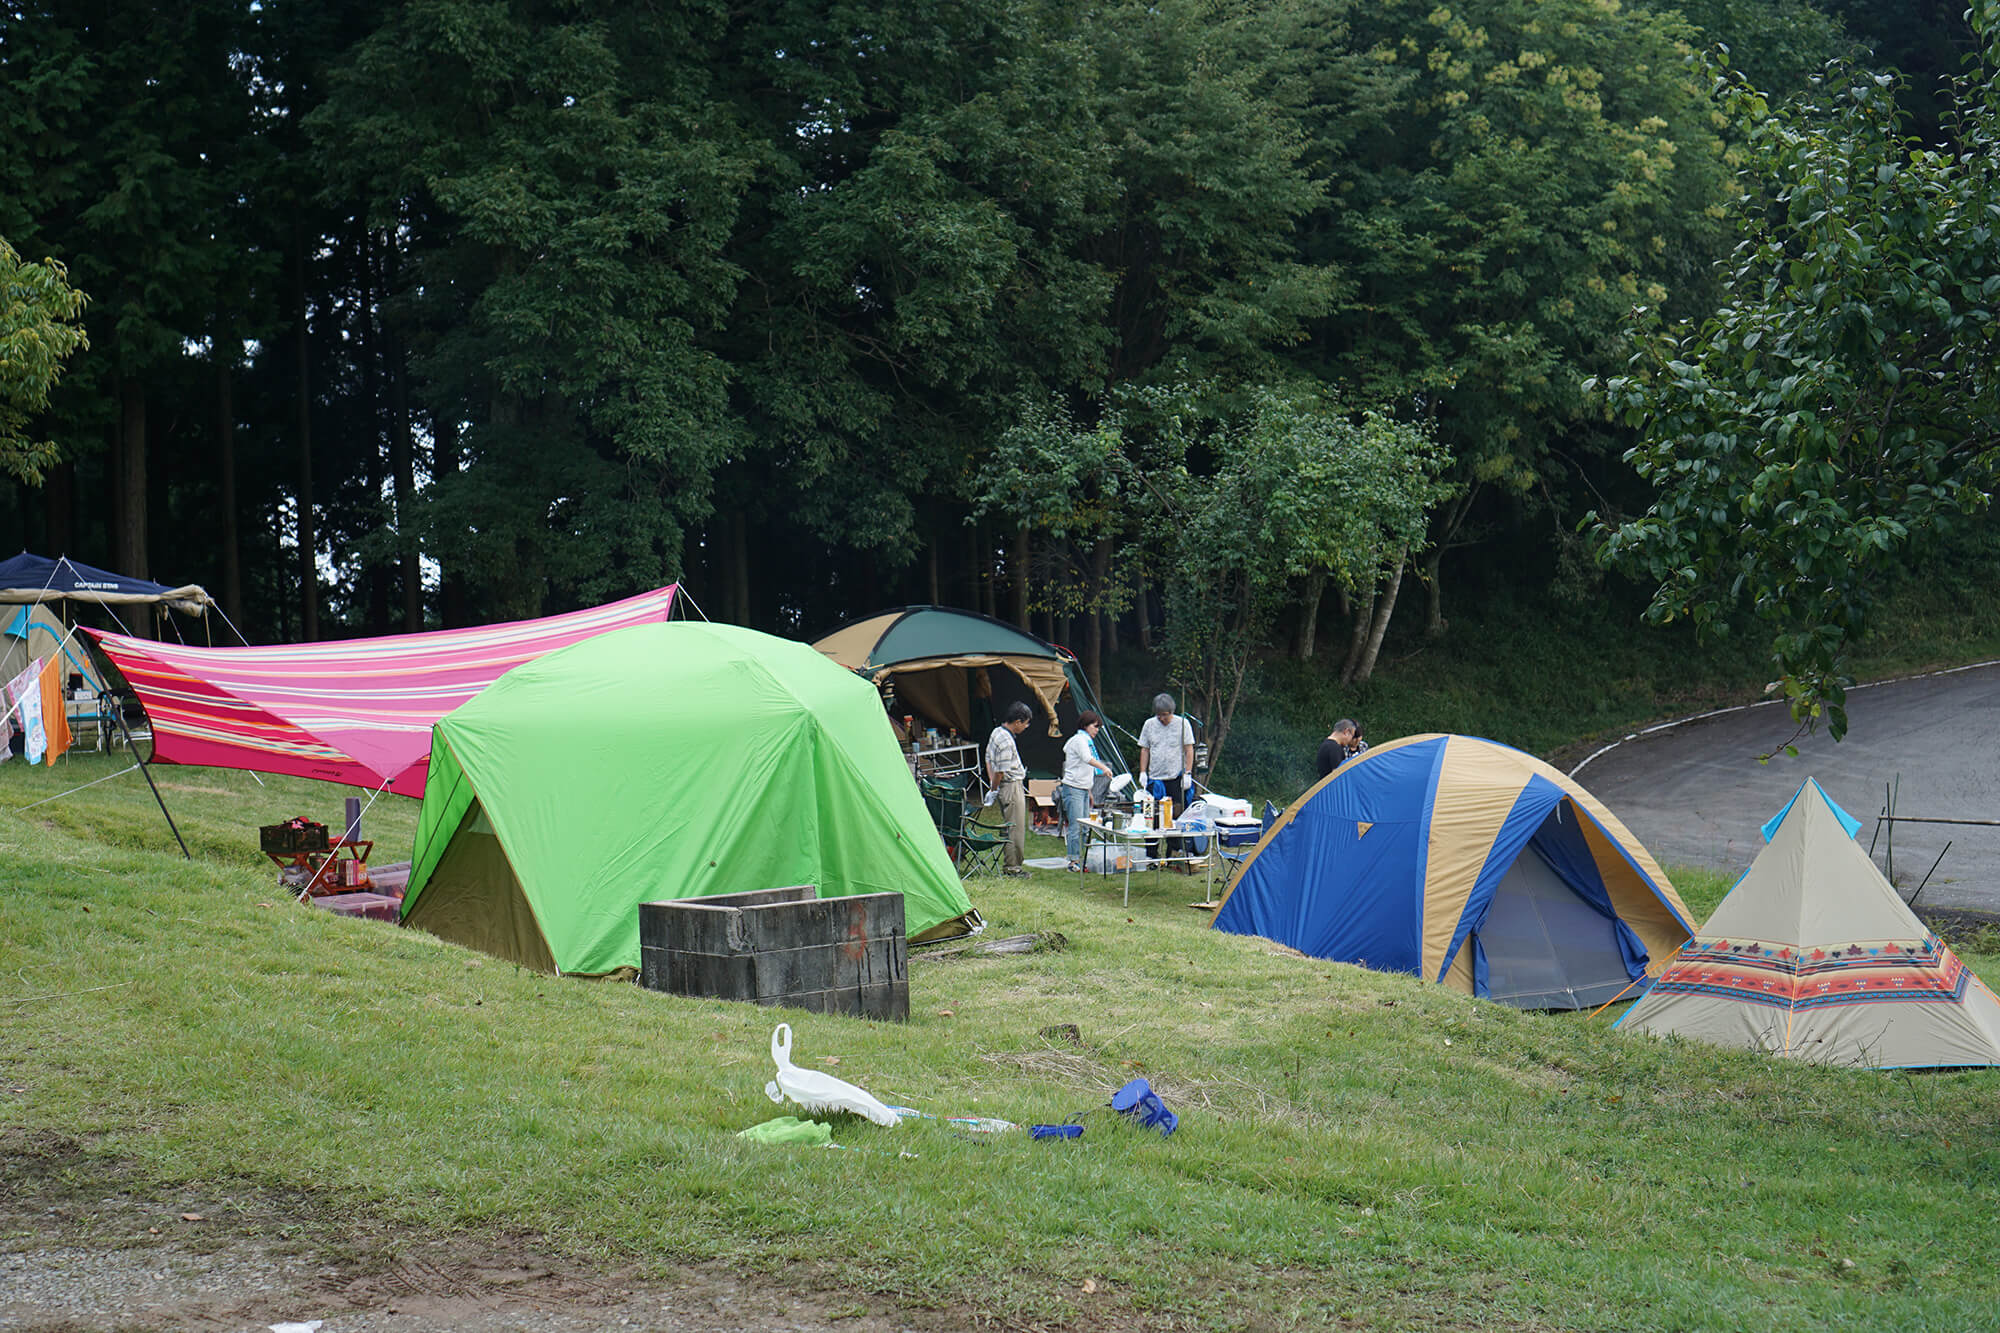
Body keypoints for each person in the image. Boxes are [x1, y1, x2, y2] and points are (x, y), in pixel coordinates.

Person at [1058, 711, 1114, 871]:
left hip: (1082, 788)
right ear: (1085, 725)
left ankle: (1082, 858)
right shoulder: (1079, 740)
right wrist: (1103, 767)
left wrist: (1089, 791)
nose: (1097, 730)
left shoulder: (1085, 741)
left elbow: (1085, 768)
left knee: (1085, 826)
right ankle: (1073, 861)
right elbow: (1087, 759)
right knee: (1076, 826)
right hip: (1073, 788)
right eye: (1095, 726)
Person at [985, 700, 1034, 877]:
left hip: (1005, 787)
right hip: (1011, 787)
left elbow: (988, 759)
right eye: (1026, 723)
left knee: (1009, 826)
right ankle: (1013, 868)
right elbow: (1001, 771)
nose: (1026, 727)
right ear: (1018, 721)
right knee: (1015, 828)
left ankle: (1011, 864)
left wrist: (993, 788)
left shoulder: (996, 732)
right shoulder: (1006, 740)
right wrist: (994, 787)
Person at [1136, 692, 1196, 817]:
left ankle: (1174, 837)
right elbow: (1145, 749)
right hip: (1155, 778)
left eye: (1164, 715)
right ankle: (1152, 837)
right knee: (1152, 816)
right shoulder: (1149, 724)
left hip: (1175, 778)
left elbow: (1189, 749)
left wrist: (1188, 773)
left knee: (1175, 816)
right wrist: (1143, 772)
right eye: (1159, 715)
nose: (1162, 718)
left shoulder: (1183, 724)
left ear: (1171, 712)